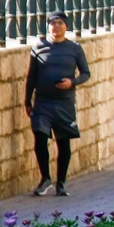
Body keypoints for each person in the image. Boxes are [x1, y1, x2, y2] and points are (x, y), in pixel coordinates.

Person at [25, 11, 91, 197]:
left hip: (64, 103)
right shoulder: (38, 47)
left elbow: (86, 73)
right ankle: (45, 179)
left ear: (66, 26)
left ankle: (61, 182)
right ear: (48, 27)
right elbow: (32, 76)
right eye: (53, 23)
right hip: (42, 102)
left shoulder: (75, 48)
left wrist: (72, 83)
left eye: (60, 23)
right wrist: (27, 101)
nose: (56, 26)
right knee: (40, 136)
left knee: (63, 142)